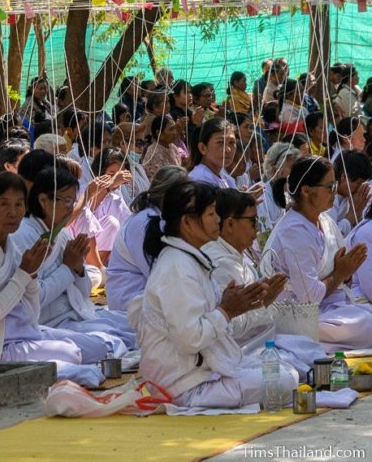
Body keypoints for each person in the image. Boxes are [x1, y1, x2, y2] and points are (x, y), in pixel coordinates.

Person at [128, 180, 298, 408]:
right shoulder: (178, 268)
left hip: (202, 372)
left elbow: (211, 319)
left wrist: (246, 304)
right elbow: (191, 339)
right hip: (185, 387)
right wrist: (227, 310)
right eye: (210, 214)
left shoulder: (190, 260)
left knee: (286, 371)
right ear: (188, 223)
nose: (218, 219)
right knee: (284, 379)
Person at [0, 172, 109, 381]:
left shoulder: (9, 242)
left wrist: (32, 275)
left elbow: (31, 311)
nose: (13, 213)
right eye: (4, 204)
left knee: (98, 348)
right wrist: (23, 275)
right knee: (77, 360)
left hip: (17, 333)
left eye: (19, 204)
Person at [12, 167, 134, 356]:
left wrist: (78, 269)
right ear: (43, 200)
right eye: (66, 200)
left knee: (136, 325)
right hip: (50, 322)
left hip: (79, 311)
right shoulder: (23, 237)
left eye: (73, 200)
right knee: (107, 345)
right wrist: (68, 269)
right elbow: (34, 300)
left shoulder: (62, 233)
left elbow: (84, 292)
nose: (71, 207)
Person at [203, 190, 325, 373]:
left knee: (311, 350)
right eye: (252, 221)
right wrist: (264, 304)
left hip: (259, 340)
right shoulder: (220, 264)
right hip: (237, 351)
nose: (257, 228)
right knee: (289, 373)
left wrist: (264, 299)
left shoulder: (237, 257)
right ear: (229, 224)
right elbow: (229, 327)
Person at [261, 157, 372, 353]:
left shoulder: (325, 220)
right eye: (329, 186)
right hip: (301, 316)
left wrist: (345, 272)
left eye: (335, 184)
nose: (335, 191)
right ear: (306, 191)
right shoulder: (294, 231)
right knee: (366, 325)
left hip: (330, 306)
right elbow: (309, 298)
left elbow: (340, 269)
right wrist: (340, 274)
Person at [106, 165, 188, 311]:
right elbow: (159, 275)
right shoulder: (144, 223)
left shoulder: (161, 217)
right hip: (130, 300)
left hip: (147, 293)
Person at [89, 148, 132, 262]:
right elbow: (87, 209)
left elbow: (128, 224)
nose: (117, 179)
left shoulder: (116, 197)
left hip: (111, 257)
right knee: (111, 223)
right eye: (111, 174)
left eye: (120, 175)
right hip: (87, 253)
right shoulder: (87, 189)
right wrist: (110, 184)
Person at [257, 142, 300, 235]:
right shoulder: (261, 197)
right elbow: (263, 241)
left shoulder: (287, 194)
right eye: (292, 169)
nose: (296, 175)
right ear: (274, 170)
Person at [327, 151, 372, 237]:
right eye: (359, 183)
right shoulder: (327, 197)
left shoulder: (348, 198)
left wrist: (358, 213)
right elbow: (330, 238)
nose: (360, 188)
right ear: (343, 177)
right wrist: (352, 213)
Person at [189, 117, 236, 189]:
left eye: (232, 142)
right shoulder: (200, 180)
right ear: (203, 148)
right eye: (220, 142)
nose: (228, 150)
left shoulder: (225, 178)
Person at [111, 123, 149, 205]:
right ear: (123, 144)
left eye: (144, 143)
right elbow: (126, 203)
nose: (142, 148)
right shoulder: (117, 168)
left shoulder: (137, 165)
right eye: (139, 143)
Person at [142, 116, 182, 180]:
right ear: (158, 133)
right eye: (171, 129)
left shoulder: (172, 147)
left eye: (175, 128)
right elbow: (160, 181)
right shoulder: (154, 153)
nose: (175, 132)